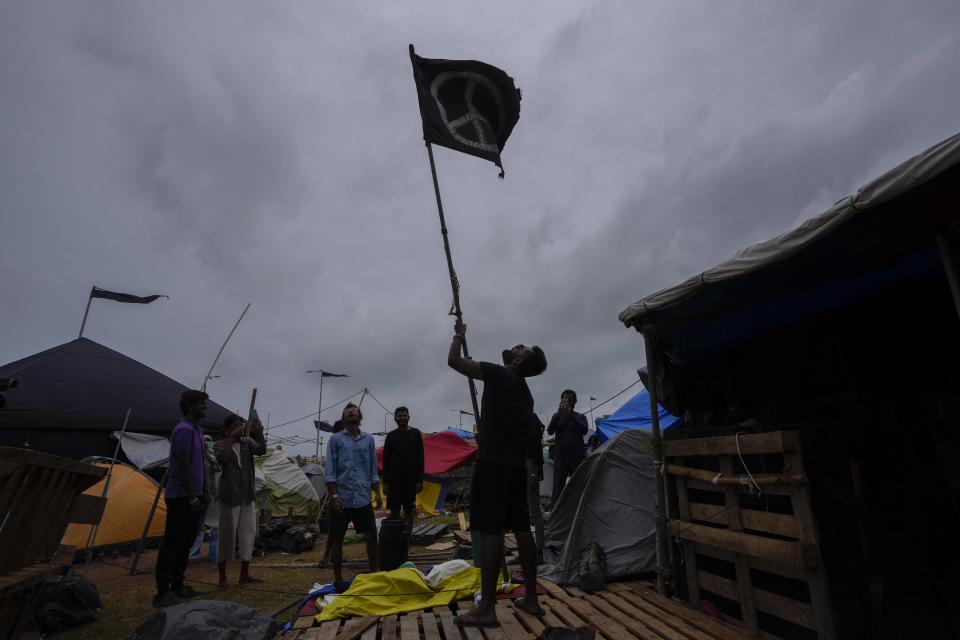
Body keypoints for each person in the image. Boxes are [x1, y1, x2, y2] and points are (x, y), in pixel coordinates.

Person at [447, 319, 547, 626]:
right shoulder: (525, 394)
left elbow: (453, 361)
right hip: (516, 467)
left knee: (490, 531)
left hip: (493, 465)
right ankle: (531, 599)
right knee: (520, 528)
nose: (516, 345)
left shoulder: (498, 373)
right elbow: (530, 433)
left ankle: (487, 609)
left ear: (519, 359)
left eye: (521, 347)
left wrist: (458, 336)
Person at [154, 389, 210, 608]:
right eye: (201, 404)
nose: (205, 408)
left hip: (195, 495)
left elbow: (201, 464)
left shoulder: (197, 430)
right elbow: (184, 464)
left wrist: (204, 491)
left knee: (186, 542)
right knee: (173, 543)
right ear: (190, 406)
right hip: (180, 496)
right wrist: (191, 495)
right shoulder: (183, 430)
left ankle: (178, 585)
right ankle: (162, 591)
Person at [324, 403, 382, 591]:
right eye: (347, 412)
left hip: (363, 495)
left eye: (354, 411)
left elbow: (373, 468)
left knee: (371, 534)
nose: (350, 412)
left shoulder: (369, 440)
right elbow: (330, 471)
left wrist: (378, 492)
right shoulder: (335, 440)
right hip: (342, 497)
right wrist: (334, 496)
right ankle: (338, 578)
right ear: (343, 417)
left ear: (360, 416)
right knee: (337, 537)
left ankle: (374, 572)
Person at [215, 412, 267, 588]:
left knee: (248, 533)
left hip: (247, 495)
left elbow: (262, 450)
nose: (239, 428)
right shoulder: (220, 444)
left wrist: (259, 430)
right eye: (235, 426)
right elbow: (223, 458)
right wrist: (231, 438)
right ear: (228, 429)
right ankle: (222, 577)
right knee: (226, 534)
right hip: (229, 495)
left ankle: (244, 574)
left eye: (240, 425)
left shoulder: (247, 443)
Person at [382, 406, 424, 533]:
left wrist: (419, 481)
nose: (402, 418)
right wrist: (385, 482)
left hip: (410, 480)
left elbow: (420, 458)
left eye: (404, 415)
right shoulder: (391, 436)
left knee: (409, 511)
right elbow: (386, 460)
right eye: (399, 416)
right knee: (393, 511)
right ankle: (395, 537)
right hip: (393, 481)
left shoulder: (416, 434)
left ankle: (407, 538)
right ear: (395, 418)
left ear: (408, 417)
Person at [547, 390, 588, 506]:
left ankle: (576, 516)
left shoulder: (580, 416)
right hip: (561, 459)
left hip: (577, 459)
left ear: (575, 402)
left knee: (578, 488)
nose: (568, 402)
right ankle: (554, 519)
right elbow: (550, 431)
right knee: (557, 491)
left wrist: (571, 416)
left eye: (570, 400)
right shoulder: (557, 416)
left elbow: (584, 430)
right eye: (565, 400)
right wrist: (557, 415)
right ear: (561, 401)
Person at [527, 414, 546, 564]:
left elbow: (533, 445)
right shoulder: (527, 417)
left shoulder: (530, 419)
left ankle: (539, 551)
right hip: (525, 465)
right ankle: (529, 551)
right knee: (526, 509)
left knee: (534, 508)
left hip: (530, 465)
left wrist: (535, 470)